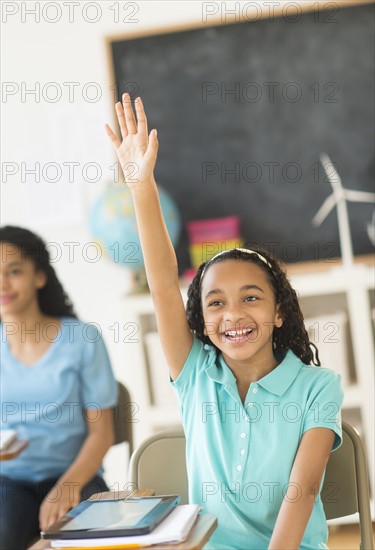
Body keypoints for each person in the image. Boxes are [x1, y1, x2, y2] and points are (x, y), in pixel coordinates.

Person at [105, 94, 344, 550]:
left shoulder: (318, 387)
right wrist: (141, 188)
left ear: (278, 312)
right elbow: (160, 285)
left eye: (250, 298)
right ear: (201, 318)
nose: (232, 314)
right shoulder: (195, 374)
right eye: (215, 303)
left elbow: (302, 493)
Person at [0, 226, 118, 550]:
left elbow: (102, 434)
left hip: (76, 475)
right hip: (9, 481)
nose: (3, 284)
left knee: (72, 542)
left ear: (39, 276)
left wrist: (67, 487)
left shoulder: (82, 339)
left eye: (14, 271)